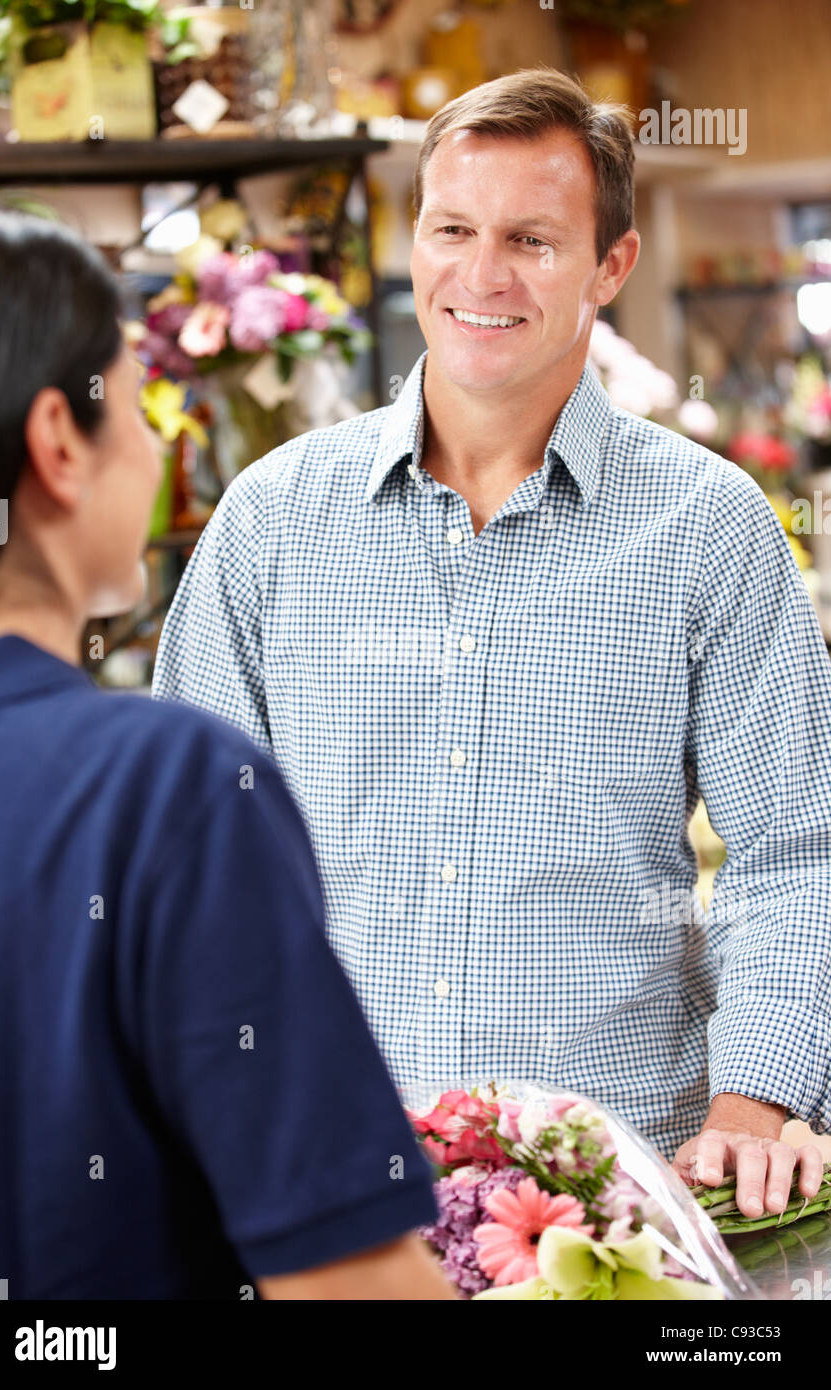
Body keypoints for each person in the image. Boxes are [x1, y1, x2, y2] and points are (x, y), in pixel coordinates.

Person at [153, 65, 831, 1221]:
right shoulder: (272, 519)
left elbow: (795, 852)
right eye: (452, 228)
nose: (480, 275)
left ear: (609, 267)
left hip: (618, 1191)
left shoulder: (709, 529)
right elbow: (185, 857)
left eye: (530, 238)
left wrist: (753, 1100)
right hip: (330, 1186)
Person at [0, 203, 455, 1301]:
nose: (158, 440)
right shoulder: (160, 789)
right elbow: (349, 1283)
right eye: (137, 400)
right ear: (57, 443)